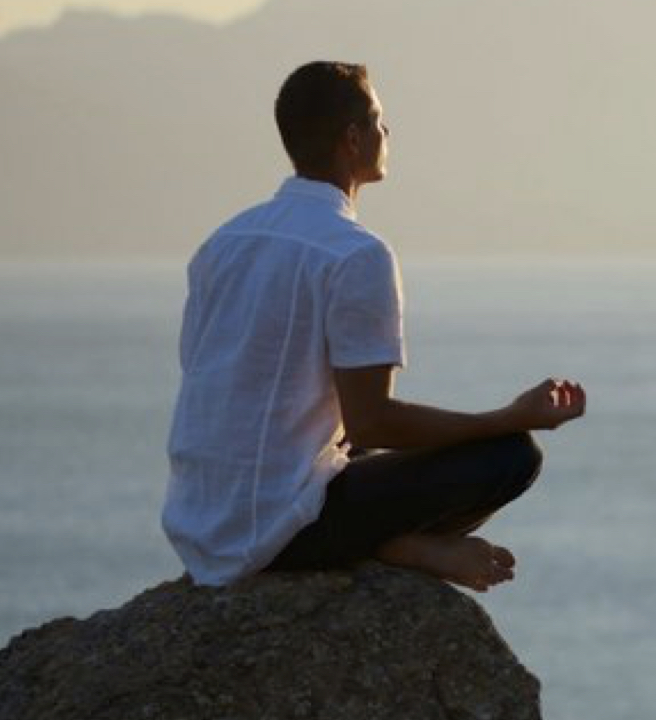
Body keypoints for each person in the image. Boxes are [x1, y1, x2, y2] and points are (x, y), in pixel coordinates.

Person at [162, 61, 585, 591]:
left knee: (351, 447)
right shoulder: (356, 254)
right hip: (274, 533)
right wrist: (507, 416)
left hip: (201, 525)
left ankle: (391, 541)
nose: (388, 133)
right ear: (354, 139)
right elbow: (372, 422)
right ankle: (400, 546)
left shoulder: (222, 243)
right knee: (511, 455)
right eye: (380, 120)